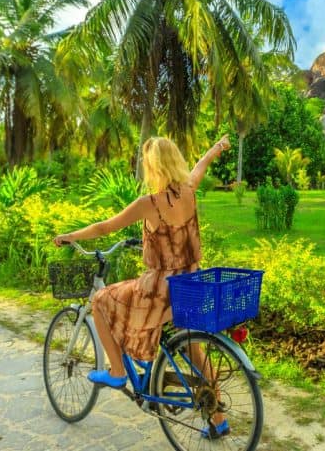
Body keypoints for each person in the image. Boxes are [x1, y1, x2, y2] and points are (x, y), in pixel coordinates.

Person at [53, 135, 231, 435]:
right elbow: (200, 166)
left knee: (100, 301)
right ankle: (218, 422)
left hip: (160, 290)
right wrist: (217, 148)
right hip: (190, 284)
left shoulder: (149, 204)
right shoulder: (189, 190)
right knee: (197, 353)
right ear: (175, 161)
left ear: (153, 167)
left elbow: (105, 227)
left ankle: (118, 371)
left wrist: (71, 235)